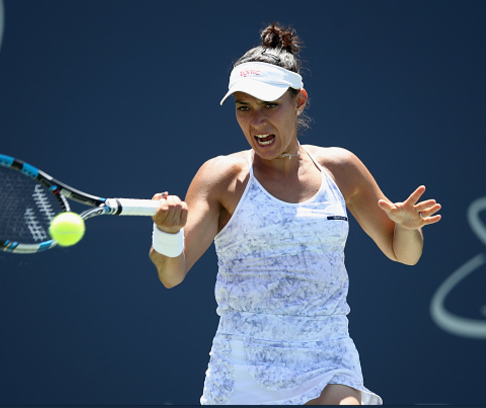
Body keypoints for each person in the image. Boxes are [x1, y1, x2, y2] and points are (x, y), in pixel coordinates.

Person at [149, 22, 441, 405]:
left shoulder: (341, 168)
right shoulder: (221, 177)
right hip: (243, 375)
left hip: (327, 362)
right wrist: (167, 233)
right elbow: (172, 273)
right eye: (244, 108)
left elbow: (406, 253)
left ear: (299, 101)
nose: (256, 122)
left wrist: (407, 228)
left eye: (270, 105)